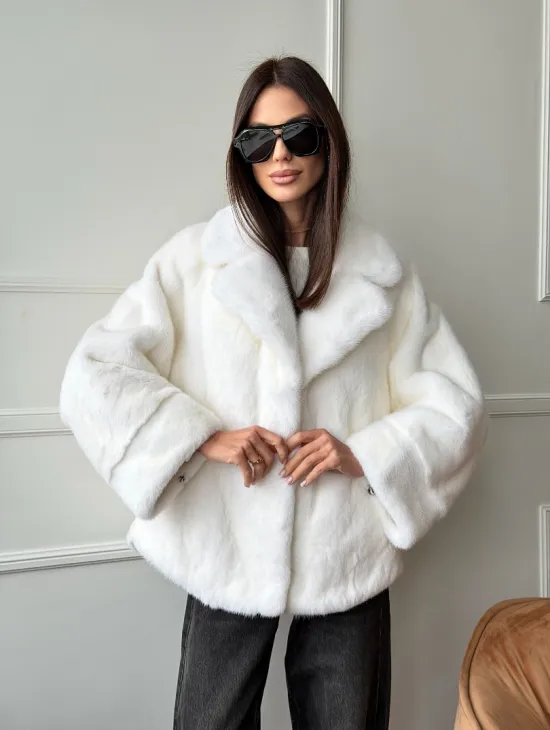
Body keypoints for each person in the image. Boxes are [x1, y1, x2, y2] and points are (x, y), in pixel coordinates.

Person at [60, 56, 487, 730]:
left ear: (329, 140)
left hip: (344, 549)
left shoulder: (383, 274)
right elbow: (96, 372)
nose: (279, 154)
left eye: (298, 134)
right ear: (242, 153)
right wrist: (202, 437)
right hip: (226, 541)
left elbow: (455, 408)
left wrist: (364, 453)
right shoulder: (195, 261)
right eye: (258, 140)